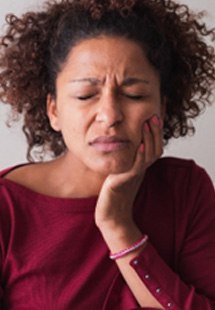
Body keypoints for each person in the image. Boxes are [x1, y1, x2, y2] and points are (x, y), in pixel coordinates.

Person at [0, 0, 215, 308]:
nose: (110, 115)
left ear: (162, 107)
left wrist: (118, 225)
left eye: (134, 95)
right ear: (54, 110)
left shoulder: (185, 190)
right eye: (86, 95)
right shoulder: (7, 209)